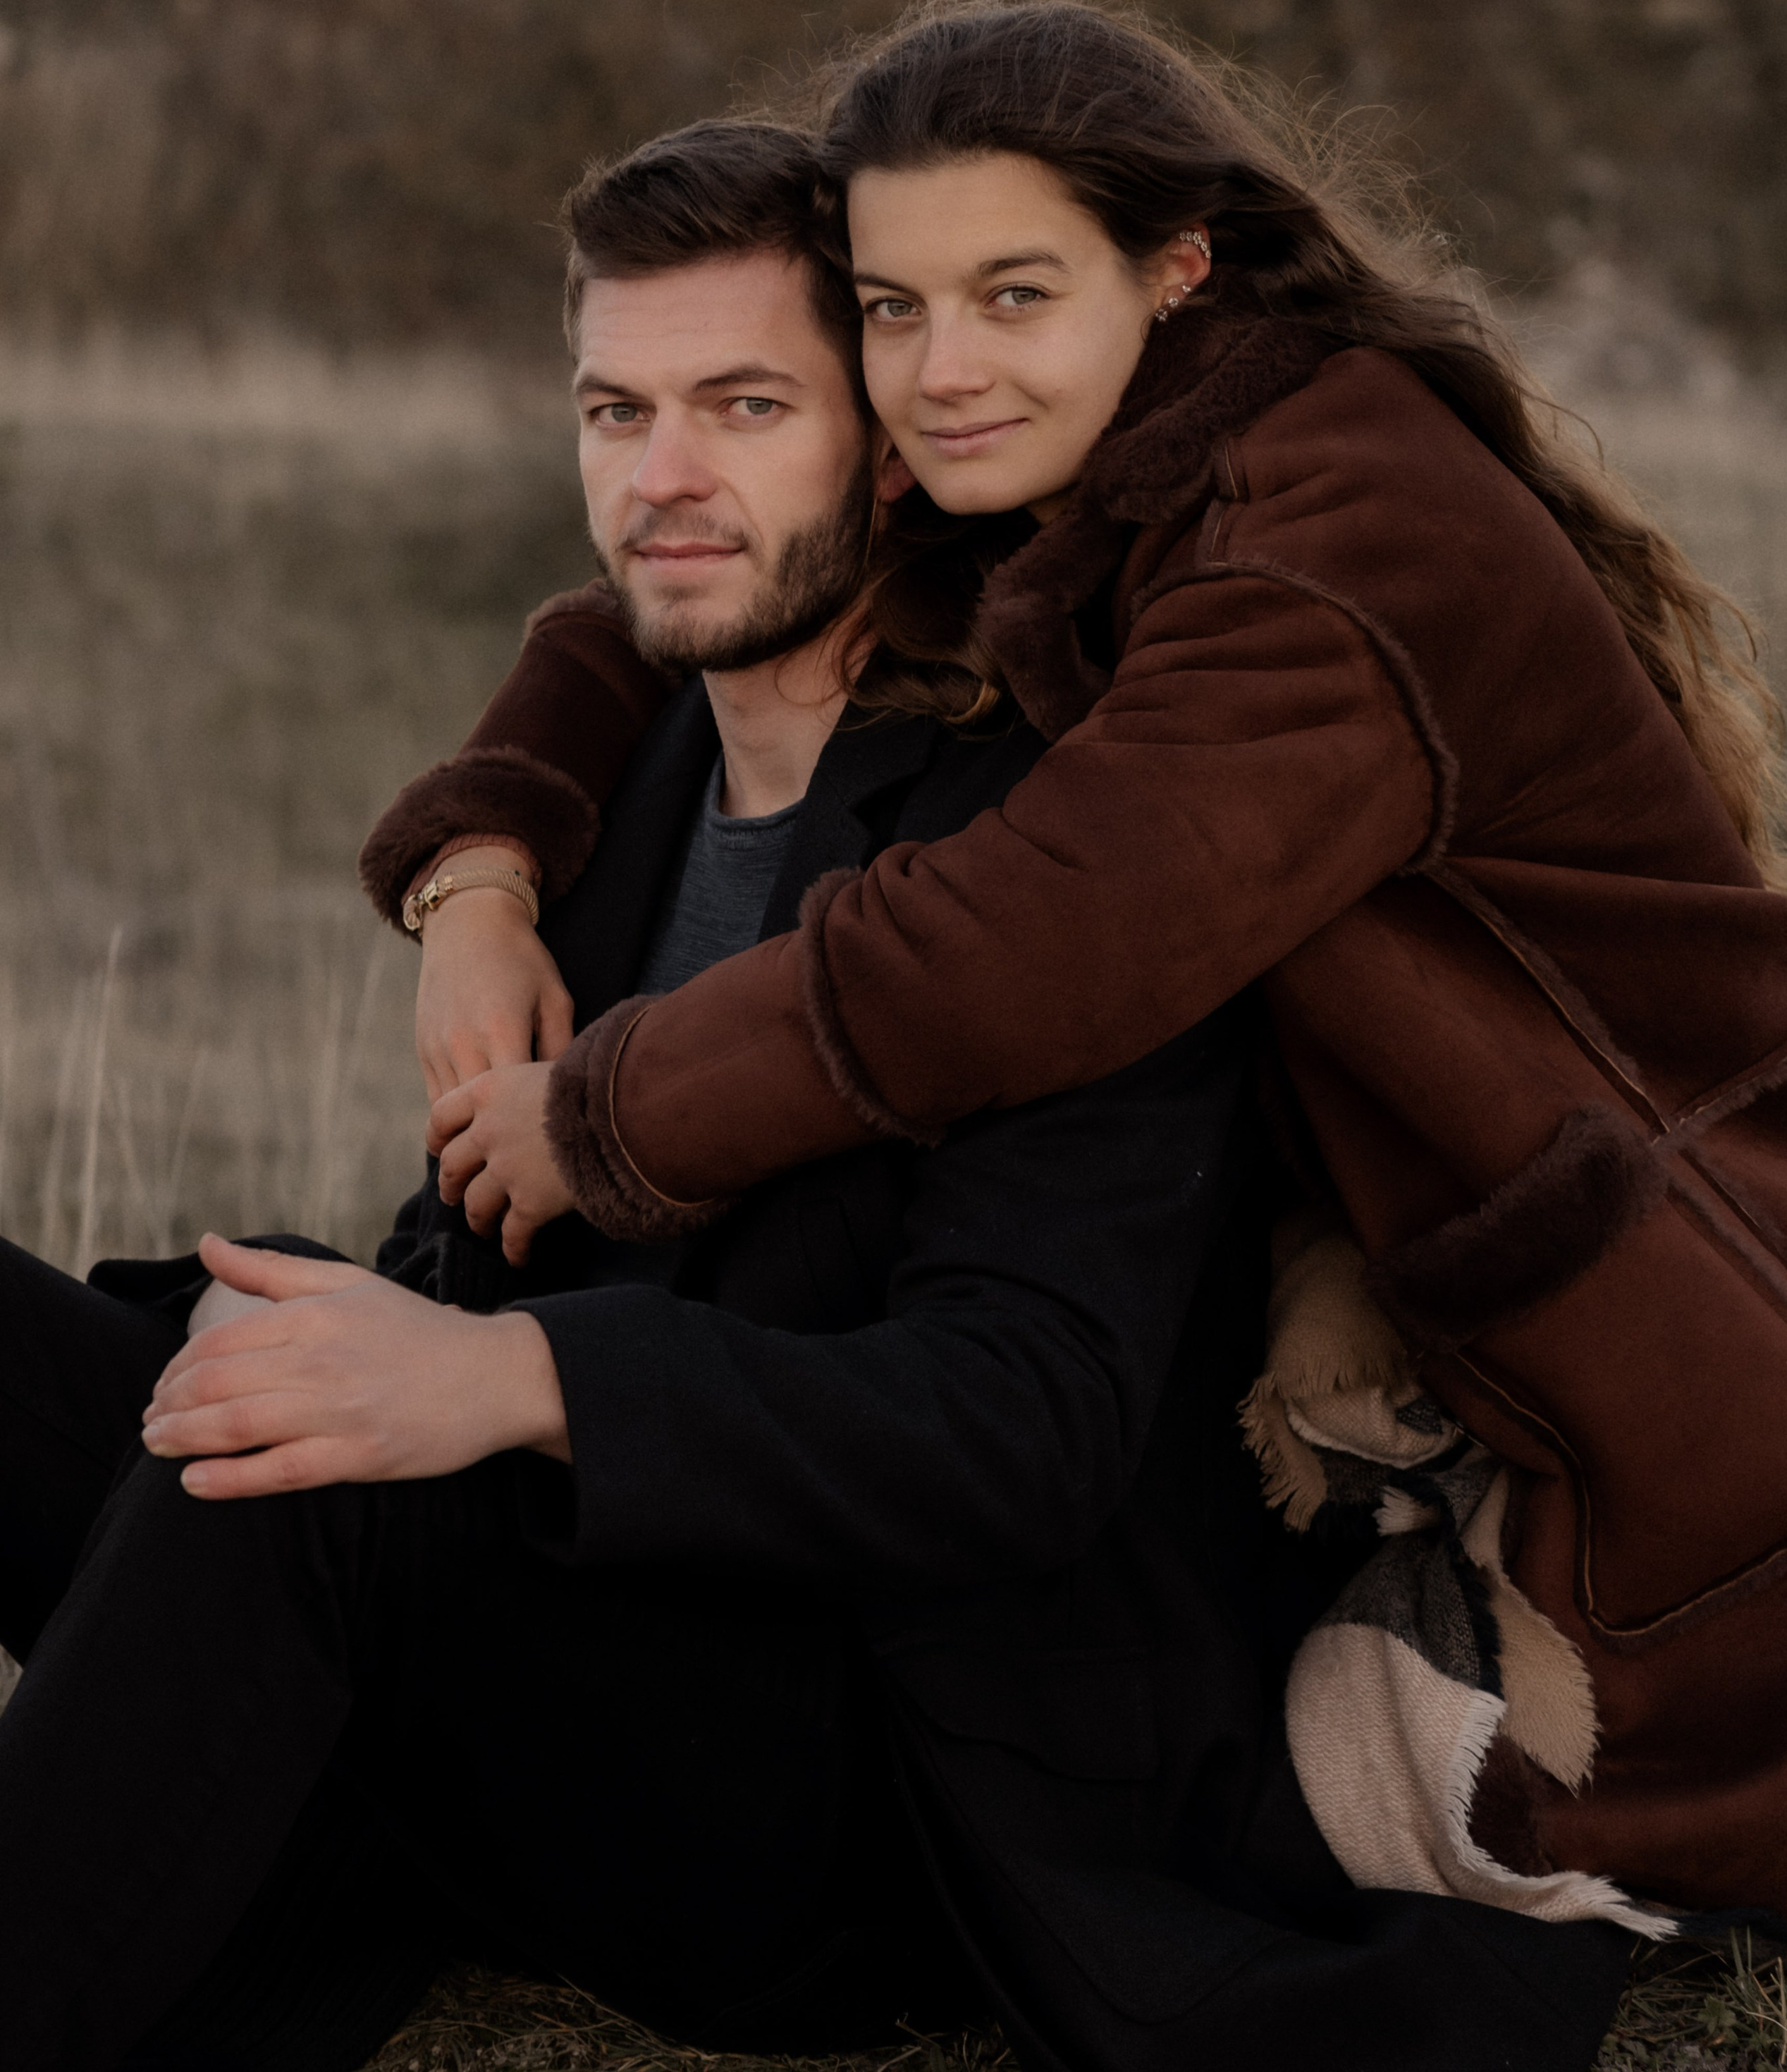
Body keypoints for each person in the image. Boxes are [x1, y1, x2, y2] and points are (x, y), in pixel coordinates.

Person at [0, 122, 1634, 2072]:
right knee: (181, 1363)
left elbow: (1025, 1423)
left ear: (887, 440)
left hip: (868, 1775)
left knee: (307, 1472)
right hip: (564, 1627)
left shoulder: (1070, 847)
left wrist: (514, 1388)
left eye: (743, 404)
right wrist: (463, 927)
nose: (660, 478)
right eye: (617, 408)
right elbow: (494, 1242)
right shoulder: (614, 789)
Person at [364, 0, 1787, 1927]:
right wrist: (476, 876)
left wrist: (610, 1115)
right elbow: (647, 598)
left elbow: (1027, 941)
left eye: (1015, 292)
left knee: (1593, 1809)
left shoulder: (1327, 541)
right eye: (892, 308)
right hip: (1447, 1253)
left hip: (1676, 1284)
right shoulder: (1131, 456)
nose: (942, 370)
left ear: (1176, 260)